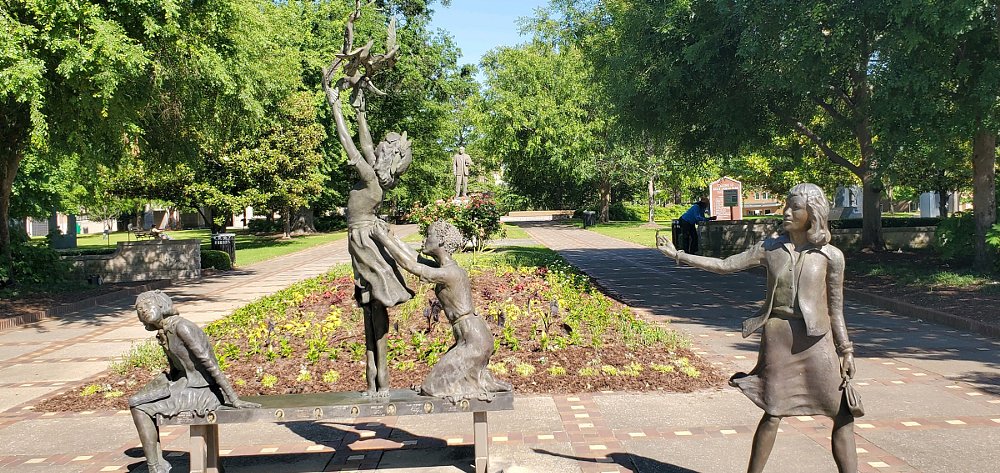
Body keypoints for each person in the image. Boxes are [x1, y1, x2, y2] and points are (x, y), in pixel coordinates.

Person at [656, 183, 859, 473]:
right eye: (786, 206)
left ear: (812, 213)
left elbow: (835, 309)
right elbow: (725, 265)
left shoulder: (831, 256)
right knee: (773, 411)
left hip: (818, 342)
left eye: (795, 207)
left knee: (842, 414)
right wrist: (679, 255)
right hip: (779, 338)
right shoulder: (770, 249)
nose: (786, 212)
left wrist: (846, 350)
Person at [374, 221, 512, 402]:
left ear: (440, 241)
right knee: (439, 383)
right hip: (469, 336)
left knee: (432, 387)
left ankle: (481, 384)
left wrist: (383, 238)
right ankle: (481, 381)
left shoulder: (451, 273)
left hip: (475, 340)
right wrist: (392, 238)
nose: (424, 239)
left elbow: (411, 265)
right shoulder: (444, 268)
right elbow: (414, 257)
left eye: (429, 235)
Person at [128, 291, 258, 473]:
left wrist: (233, 399)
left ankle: (155, 466)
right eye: (139, 310)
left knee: (140, 407)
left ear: (161, 305)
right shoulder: (164, 332)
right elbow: (178, 367)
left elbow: (210, 363)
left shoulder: (182, 327)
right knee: (136, 401)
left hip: (203, 390)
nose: (144, 311)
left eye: (147, 306)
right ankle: (156, 464)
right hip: (185, 384)